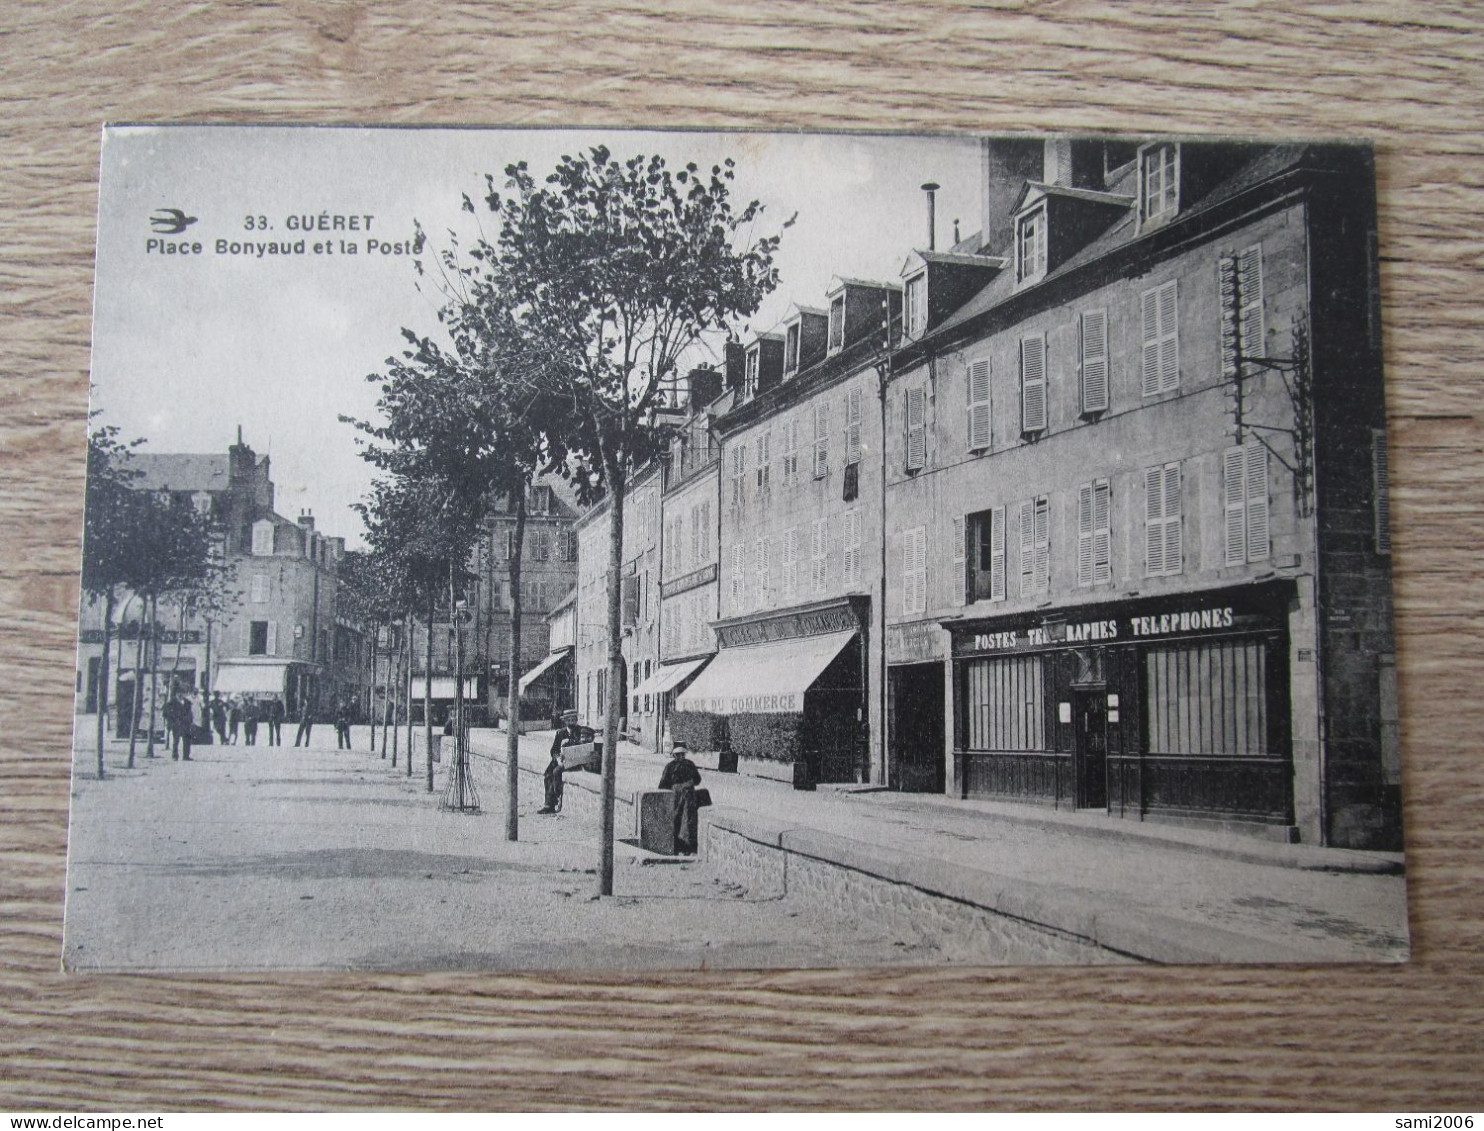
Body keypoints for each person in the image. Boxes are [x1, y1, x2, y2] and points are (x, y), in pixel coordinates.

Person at [658, 742, 702, 855]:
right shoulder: (670, 767)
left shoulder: (690, 765)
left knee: (688, 821)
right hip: (676, 797)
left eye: (682, 754)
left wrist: (688, 784)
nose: (681, 757)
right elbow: (663, 784)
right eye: (678, 755)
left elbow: (697, 779)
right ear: (674, 755)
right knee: (676, 819)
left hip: (688, 797)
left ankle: (688, 848)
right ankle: (677, 847)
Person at [538, 711, 584, 814]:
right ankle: (548, 804)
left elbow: (584, 747)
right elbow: (553, 750)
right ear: (565, 721)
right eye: (569, 720)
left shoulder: (580, 732)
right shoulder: (560, 733)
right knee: (548, 773)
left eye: (573, 720)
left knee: (556, 772)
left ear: (576, 720)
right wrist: (558, 758)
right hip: (561, 760)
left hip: (575, 761)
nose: (571, 722)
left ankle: (558, 797)